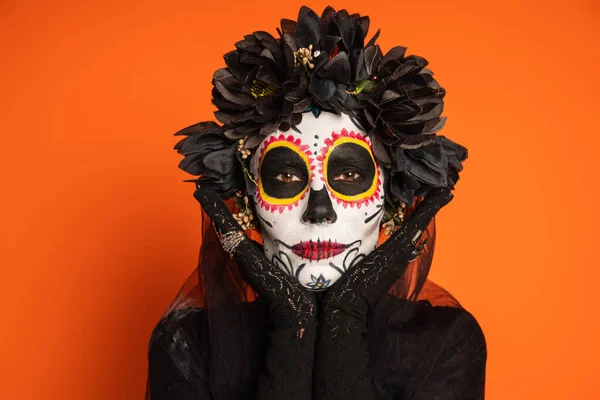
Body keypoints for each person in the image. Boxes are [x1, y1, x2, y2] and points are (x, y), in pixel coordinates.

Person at [146, 5, 487, 399]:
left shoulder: (444, 344)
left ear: (393, 201)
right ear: (247, 200)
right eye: (287, 177)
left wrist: (346, 314)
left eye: (348, 175)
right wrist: (294, 325)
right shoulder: (186, 347)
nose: (319, 211)